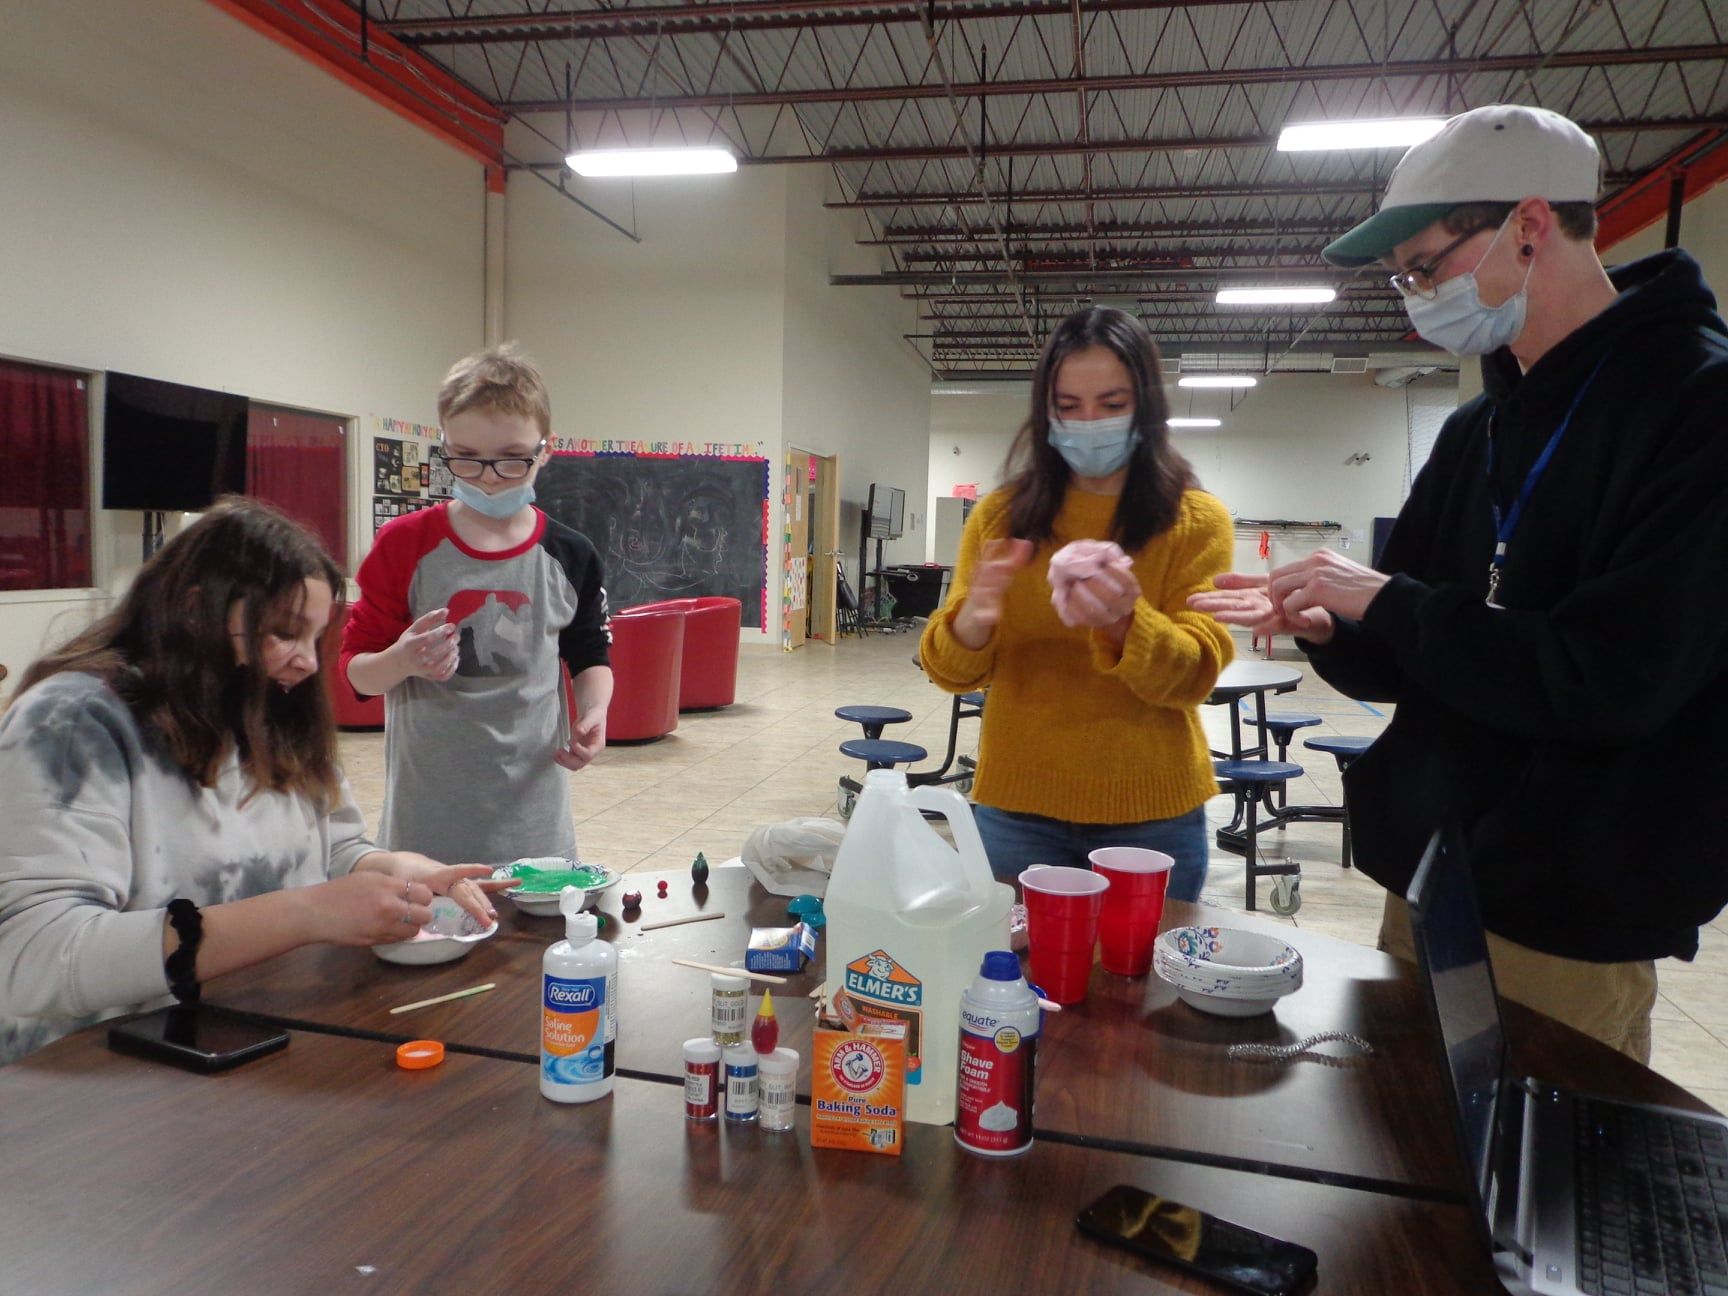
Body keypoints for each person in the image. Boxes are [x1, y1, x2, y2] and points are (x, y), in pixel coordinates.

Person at [1189, 104, 1728, 1062]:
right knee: (1405, 1159)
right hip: (1430, 880)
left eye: (1426, 266)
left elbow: (1610, 680)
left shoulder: (1695, 406)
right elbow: (1411, 657)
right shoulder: (1478, 429)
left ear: (1527, 227)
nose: (1414, 296)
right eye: (1401, 279)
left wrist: (1385, 602)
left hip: (1567, 914)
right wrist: (1327, 626)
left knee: (1536, 1189)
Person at [0, 499, 509, 1064]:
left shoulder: (268, 709)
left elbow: (333, 849)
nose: (308, 664)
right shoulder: (76, 722)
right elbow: (32, 957)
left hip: (248, 1042)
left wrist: (391, 870)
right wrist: (307, 913)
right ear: (197, 613)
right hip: (99, 1073)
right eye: (284, 634)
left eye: (315, 639)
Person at [919, 307, 1234, 900]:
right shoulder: (1002, 517)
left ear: (1146, 406)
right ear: (1046, 412)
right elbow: (950, 672)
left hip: (1153, 811)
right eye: (1069, 406)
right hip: (1017, 809)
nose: (1090, 422)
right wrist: (974, 618)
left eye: (1112, 405)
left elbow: (1196, 674)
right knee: (1013, 982)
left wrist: (1125, 625)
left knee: (1140, 986)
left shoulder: (1194, 520)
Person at [343, 344, 613, 866]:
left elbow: (590, 653)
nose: (488, 477)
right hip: (426, 821)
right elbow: (357, 675)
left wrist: (595, 710)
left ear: (545, 449)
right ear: (444, 443)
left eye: (512, 459)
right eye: (465, 457)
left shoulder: (569, 554)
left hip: (534, 819)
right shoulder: (404, 546)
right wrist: (402, 661)